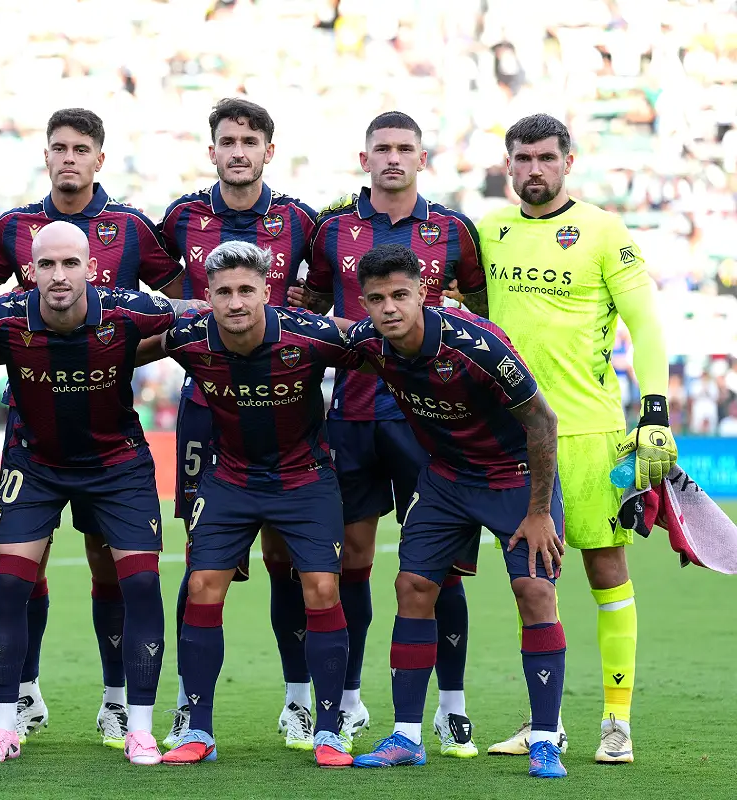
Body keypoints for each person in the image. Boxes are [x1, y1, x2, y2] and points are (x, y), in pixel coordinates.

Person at [0, 108, 184, 747]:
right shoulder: (12, 228)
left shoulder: (129, 228)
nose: (69, 157)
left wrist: (120, 352)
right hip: (33, 435)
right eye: (58, 148)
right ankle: (21, 699)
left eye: (81, 148)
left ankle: (119, 705)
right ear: (46, 156)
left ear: (100, 157)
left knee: (111, 570)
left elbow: (181, 306)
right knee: (20, 573)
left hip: (109, 436)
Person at [474, 114, 673, 763]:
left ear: (569, 161)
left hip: (592, 434)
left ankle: (617, 723)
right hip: (512, 438)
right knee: (533, 581)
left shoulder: (603, 231)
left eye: (545, 158)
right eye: (522, 158)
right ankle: (546, 725)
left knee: (607, 570)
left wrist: (655, 413)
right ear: (508, 165)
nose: (534, 169)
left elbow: (646, 325)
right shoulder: (490, 233)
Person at [287, 111, 487, 756]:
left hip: (428, 426)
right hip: (351, 418)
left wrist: (458, 309)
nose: (393, 158)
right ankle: (346, 701)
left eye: (405, 148)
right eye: (383, 149)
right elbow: (306, 308)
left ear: (422, 159)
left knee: (440, 570)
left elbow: (480, 314)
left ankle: (450, 708)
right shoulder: (333, 228)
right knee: (352, 562)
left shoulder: (454, 230)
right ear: (365, 157)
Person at [333, 244, 568, 779]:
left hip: (513, 477)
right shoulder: (369, 343)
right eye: (376, 298)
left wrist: (537, 512)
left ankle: (546, 737)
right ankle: (407, 736)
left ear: (423, 294)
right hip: (445, 478)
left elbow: (542, 422)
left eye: (400, 295)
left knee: (534, 591)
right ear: (365, 303)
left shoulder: (477, 346)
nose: (389, 307)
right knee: (413, 588)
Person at [137, 240, 358, 768]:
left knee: (323, 587)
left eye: (246, 290)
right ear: (207, 297)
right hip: (229, 480)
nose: (235, 302)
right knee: (200, 586)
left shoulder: (308, 335)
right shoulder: (190, 336)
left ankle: (330, 731)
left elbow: (377, 348)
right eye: (223, 292)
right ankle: (198, 729)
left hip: (305, 480)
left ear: (266, 291)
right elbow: (124, 348)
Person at [158, 98, 320, 750]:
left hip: (290, 411)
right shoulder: (180, 217)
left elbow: (330, 289)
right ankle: (187, 704)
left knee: (288, 561)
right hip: (208, 410)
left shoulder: (301, 220)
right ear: (213, 151)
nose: (238, 150)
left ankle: (299, 699)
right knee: (202, 564)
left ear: (268, 152)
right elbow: (150, 279)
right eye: (228, 140)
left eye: (250, 140)